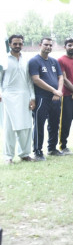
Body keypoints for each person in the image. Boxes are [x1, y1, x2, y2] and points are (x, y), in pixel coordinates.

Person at [1, 35, 35, 164]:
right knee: (9, 128)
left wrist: (32, 98)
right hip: (8, 96)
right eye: (15, 43)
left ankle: (25, 154)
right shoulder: (4, 59)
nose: (17, 46)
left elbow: (29, 80)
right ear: (10, 44)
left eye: (20, 44)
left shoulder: (26, 59)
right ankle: (8, 156)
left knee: (26, 127)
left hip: (25, 96)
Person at [29, 37, 64, 160]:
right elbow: (36, 80)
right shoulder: (34, 61)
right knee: (39, 125)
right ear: (40, 45)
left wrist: (58, 92)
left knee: (54, 124)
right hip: (42, 98)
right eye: (46, 45)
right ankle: (38, 151)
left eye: (50, 45)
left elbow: (60, 77)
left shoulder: (54, 61)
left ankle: (52, 148)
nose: (48, 47)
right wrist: (53, 90)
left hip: (55, 98)